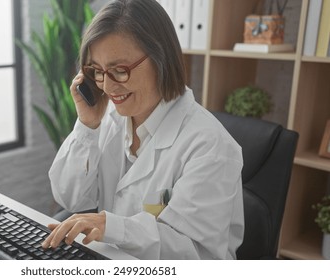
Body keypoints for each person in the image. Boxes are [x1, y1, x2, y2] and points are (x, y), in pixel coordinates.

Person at [41, 0, 244, 260]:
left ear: (161, 59)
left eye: (119, 70)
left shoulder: (211, 147)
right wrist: (87, 126)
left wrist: (111, 227)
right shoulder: (110, 118)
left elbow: (195, 254)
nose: (108, 87)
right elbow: (70, 198)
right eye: (98, 72)